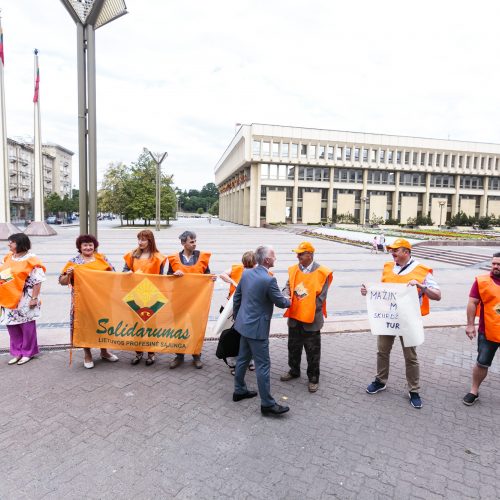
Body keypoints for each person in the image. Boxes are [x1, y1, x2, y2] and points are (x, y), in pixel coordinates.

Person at [360, 238, 441, 409]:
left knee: (411, 357)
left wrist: (422, 286)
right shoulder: (388, 267)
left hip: (408, 320)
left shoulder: (422, 271)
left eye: (396, 250)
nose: (392, 253)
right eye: (391, 250)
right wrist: (368, 292)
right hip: (387, 319)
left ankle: (414, 390)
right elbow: (382, 290)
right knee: (382, 351)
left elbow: (437, 294)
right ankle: (380, 380)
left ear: (406, 251)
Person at [232, 245, 291, 416]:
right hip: (257, 330)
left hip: (244, 325)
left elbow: (237, 297)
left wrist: (238, 318)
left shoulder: (247, 272)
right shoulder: (269, 280)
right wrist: (290, 300)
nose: (275, 258)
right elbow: (280, 302)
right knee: (263, 365)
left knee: (242, 359)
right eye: (273, 256)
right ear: (267, 260)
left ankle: (239, 390)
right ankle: (267, 404)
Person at [59, 234, 119, 369]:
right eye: (85, 245)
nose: (88, 247)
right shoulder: (74, 262)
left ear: (94, 246)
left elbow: (114, 274)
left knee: (102, 324)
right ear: (80, 247)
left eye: (90, 245)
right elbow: (62, 282)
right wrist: (69, 274)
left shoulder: (102, 259)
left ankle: (104, 352)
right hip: (82, 303)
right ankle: (88, 354)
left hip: (102, 300)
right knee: (85, 327)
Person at [280, 241, 332, 393]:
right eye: (297, 254)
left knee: (313, 351)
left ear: (310, 255)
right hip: (294, 318)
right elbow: (287, 286)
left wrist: (304, 308)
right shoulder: (294, 270)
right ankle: (294, 370)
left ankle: (313, 378)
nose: (298, 256)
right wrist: (285, 295)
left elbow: (321, 298)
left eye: (301, 254)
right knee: (293, 347)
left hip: (311, 320)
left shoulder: (323, 272)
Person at [167, 230, 212, 369]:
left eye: (195, 241)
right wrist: (174, 274)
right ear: (183, 243)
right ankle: (179, 355)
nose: (194, 244)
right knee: (179, 327)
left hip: (197, 301)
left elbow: (207, 275)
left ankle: (196, 354)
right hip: (179, 300)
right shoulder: (174, 258)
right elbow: (168, 277)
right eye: (191, 242)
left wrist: (211, 278)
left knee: (195, 328)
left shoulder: (201, 257)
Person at [0, 233, 46, 365]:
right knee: (12, 325)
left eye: (12, 242)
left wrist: (34, 298)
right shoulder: (9, 257)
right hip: (8, 297)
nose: (9, 244)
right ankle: (17, 352)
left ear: (20, 244)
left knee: (27, 326)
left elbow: (38, 281)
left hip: (25, 298)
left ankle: (28, 352)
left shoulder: (31, 259)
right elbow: (5, 275)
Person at [123, 229, 167, 366]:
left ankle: (151, 353)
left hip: (152, 295)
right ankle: (138, 352)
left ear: (150, 241)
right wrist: (128, 272)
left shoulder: (158, 257)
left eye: (143, 239)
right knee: (136, 325)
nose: (140, 242)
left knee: (151, 326)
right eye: (139, 239)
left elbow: (161, 277)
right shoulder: (132, 255)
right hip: (135, 295)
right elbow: (124, 271)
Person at [463, 252, 500, 406]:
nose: (496, 267)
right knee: (482, 363)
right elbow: (472, 303)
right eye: (494, 264)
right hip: (488, 331)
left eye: (499, 264)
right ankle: (474, 390)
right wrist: (470, 324)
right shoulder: (482, 281)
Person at [219, 250, 257, 373]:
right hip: (234, 308)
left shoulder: (258, 271)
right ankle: (234, 362)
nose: (247, 267)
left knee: (248, 336)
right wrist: (233, 282)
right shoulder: (236, 269)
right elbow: (223, 274)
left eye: (250, 265)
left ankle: (250, 360)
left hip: (249, 309)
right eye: (246, 265)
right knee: (234, 336)